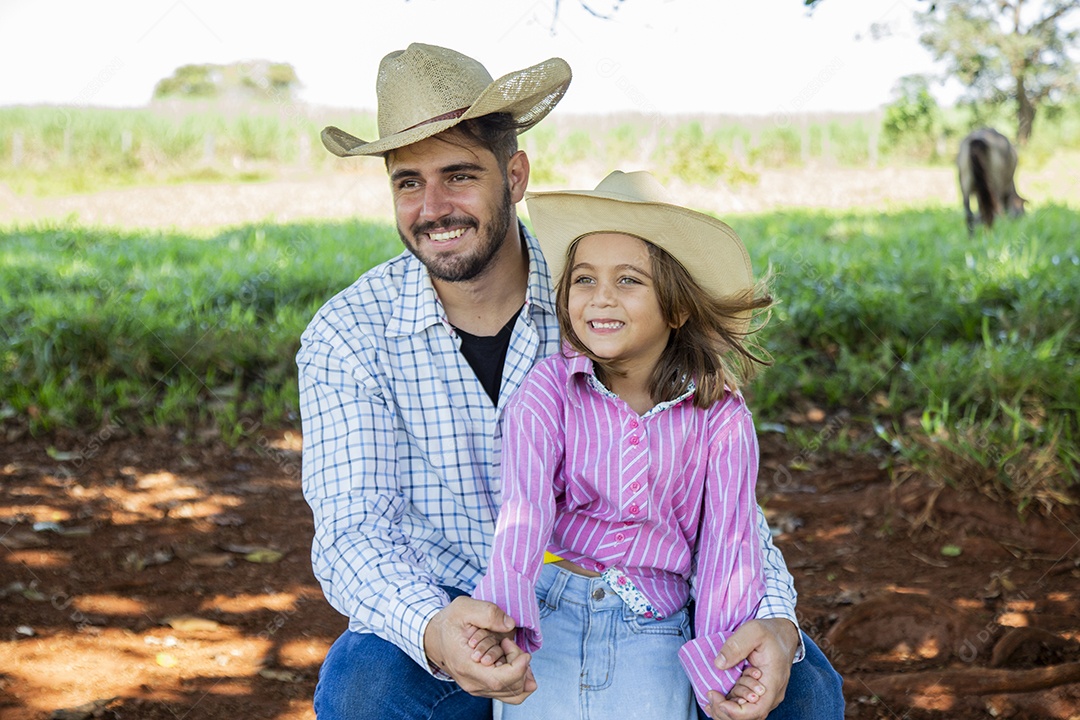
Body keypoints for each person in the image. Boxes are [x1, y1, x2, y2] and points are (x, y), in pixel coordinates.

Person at [298, 42, 844, 720]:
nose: (433, 206)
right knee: (364, 690)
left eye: (459, 175)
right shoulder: (350, 333)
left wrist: (777, 620)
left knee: (805, 692)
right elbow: (353, 529)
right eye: (408, 182)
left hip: (642, 605)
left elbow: (718, 492)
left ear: (515, 174)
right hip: (450, 606)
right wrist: (435, 631)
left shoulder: (600, 302)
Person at [469, 170, 777, 719]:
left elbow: (729, 549)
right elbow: (523, 512)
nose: (601, 298)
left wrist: (719, 666)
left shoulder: (721, 418)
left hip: (654, 627)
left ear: (677, 308)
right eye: (584, 279)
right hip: (551, 611)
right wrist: (505, 618)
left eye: (629, 280)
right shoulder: (549, 391)